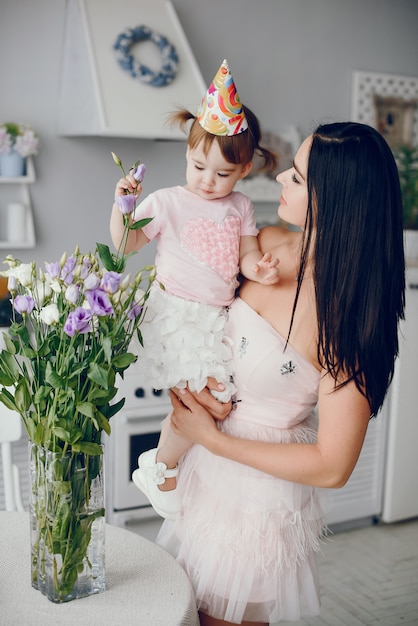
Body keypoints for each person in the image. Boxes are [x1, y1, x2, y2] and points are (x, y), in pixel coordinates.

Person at [154, 121, 405, 626]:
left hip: (255, 507)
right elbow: (186, 302)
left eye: (295, 176)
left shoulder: (347, 320)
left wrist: (212, 437)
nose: (279, 182)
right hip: (201, 473)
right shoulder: (261, 245)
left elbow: (332, 466)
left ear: (332, 199)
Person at [110, 60, 280, 519]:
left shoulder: (241, 206)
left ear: (244, 170)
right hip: (177, 314)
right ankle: (160, 466)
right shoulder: (167, 201)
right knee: (205, 400)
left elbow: (243, 256)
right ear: (187, 153)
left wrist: (258, 270)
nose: (207, 180)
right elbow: (125, 245)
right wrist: (123, 208)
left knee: (216, 401)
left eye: (222, 173)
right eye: (198, 166)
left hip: (217, 318)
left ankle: (162, 465)